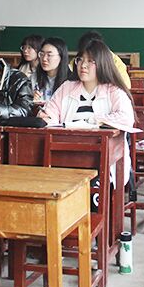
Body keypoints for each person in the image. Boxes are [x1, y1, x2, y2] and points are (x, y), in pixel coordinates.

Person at [41, 39, 136, 183]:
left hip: (101, 160)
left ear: (102, 63)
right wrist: (46, 118)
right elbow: (49, 115)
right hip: (66, 154)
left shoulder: (113, 91)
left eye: (90, 61)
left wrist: (93, 121)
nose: (83, 65)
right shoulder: (67, 87)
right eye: (80, 60)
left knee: (91, 182)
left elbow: (126, 118)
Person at [33, 37, 70, 102]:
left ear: (61, 57)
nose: (44, 59)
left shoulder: (70, 81)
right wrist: (30, 98)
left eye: (49, 55)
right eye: (42, 54)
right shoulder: (34, 77)